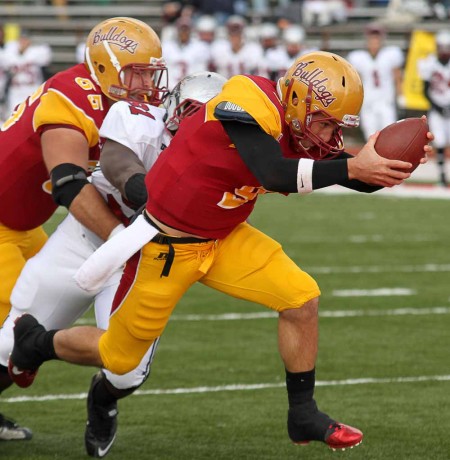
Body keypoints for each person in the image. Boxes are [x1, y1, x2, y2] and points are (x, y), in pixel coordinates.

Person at [8, 52, 432, 452]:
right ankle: (37, 344)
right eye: (325, 123)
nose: (330, 136)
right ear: (298, 103)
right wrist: (354, 166)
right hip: (167, 245)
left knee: (301, 298)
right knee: (120, 358)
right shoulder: (248, 98)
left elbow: (345, 169)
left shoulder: (298, 125)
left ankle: (303, 415)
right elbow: (274, 171)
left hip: (225, 236)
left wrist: (388, 165)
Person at [0, 71, 226, 456]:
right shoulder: (137, 120)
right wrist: (163, 198)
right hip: (89, 237)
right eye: (191, 113)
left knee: (127, 369)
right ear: (173, 106)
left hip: (145, 262)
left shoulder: (228, 161)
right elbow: (121, 166)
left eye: (210, 122)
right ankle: (29, 349)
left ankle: (102, 401)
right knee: (6, 345)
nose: (195, 128)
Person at [0, 15, 167, 445]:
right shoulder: (71, 97)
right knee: (8, 330)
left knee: (16, 340)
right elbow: (69, 182)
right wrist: (120, 240)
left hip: (21, 223)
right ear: (108, 67)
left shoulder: (121, 103)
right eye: (138, 72)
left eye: (151, 72)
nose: (147, 83)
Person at [346, 23, 404, 141]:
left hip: (386, 102)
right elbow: (356, 82)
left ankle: (388, 159)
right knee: (371, 137)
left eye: (377, 38)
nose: (374, 41)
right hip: (368, 103)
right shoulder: (358, 57)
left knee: (389, 135)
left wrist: (400, 95)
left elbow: (397, 77)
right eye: (372, 38)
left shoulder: (390, 54)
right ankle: (375, 160)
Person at [418, 28, 450, 186]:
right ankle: (442, 176)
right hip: (437, 110)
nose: (444, 51)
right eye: (442, 47)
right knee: (440, 142)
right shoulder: (429, 63)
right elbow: (425, 90)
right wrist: (438, 107)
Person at [3, 31, 52, 115]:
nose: (23, 42)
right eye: (21, 39)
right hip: (16, 89)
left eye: (25, 39)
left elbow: (46, 57)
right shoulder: (10, 53)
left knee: (32, 114)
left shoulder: (36, 52)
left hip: (32, 88)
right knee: (14, 116)